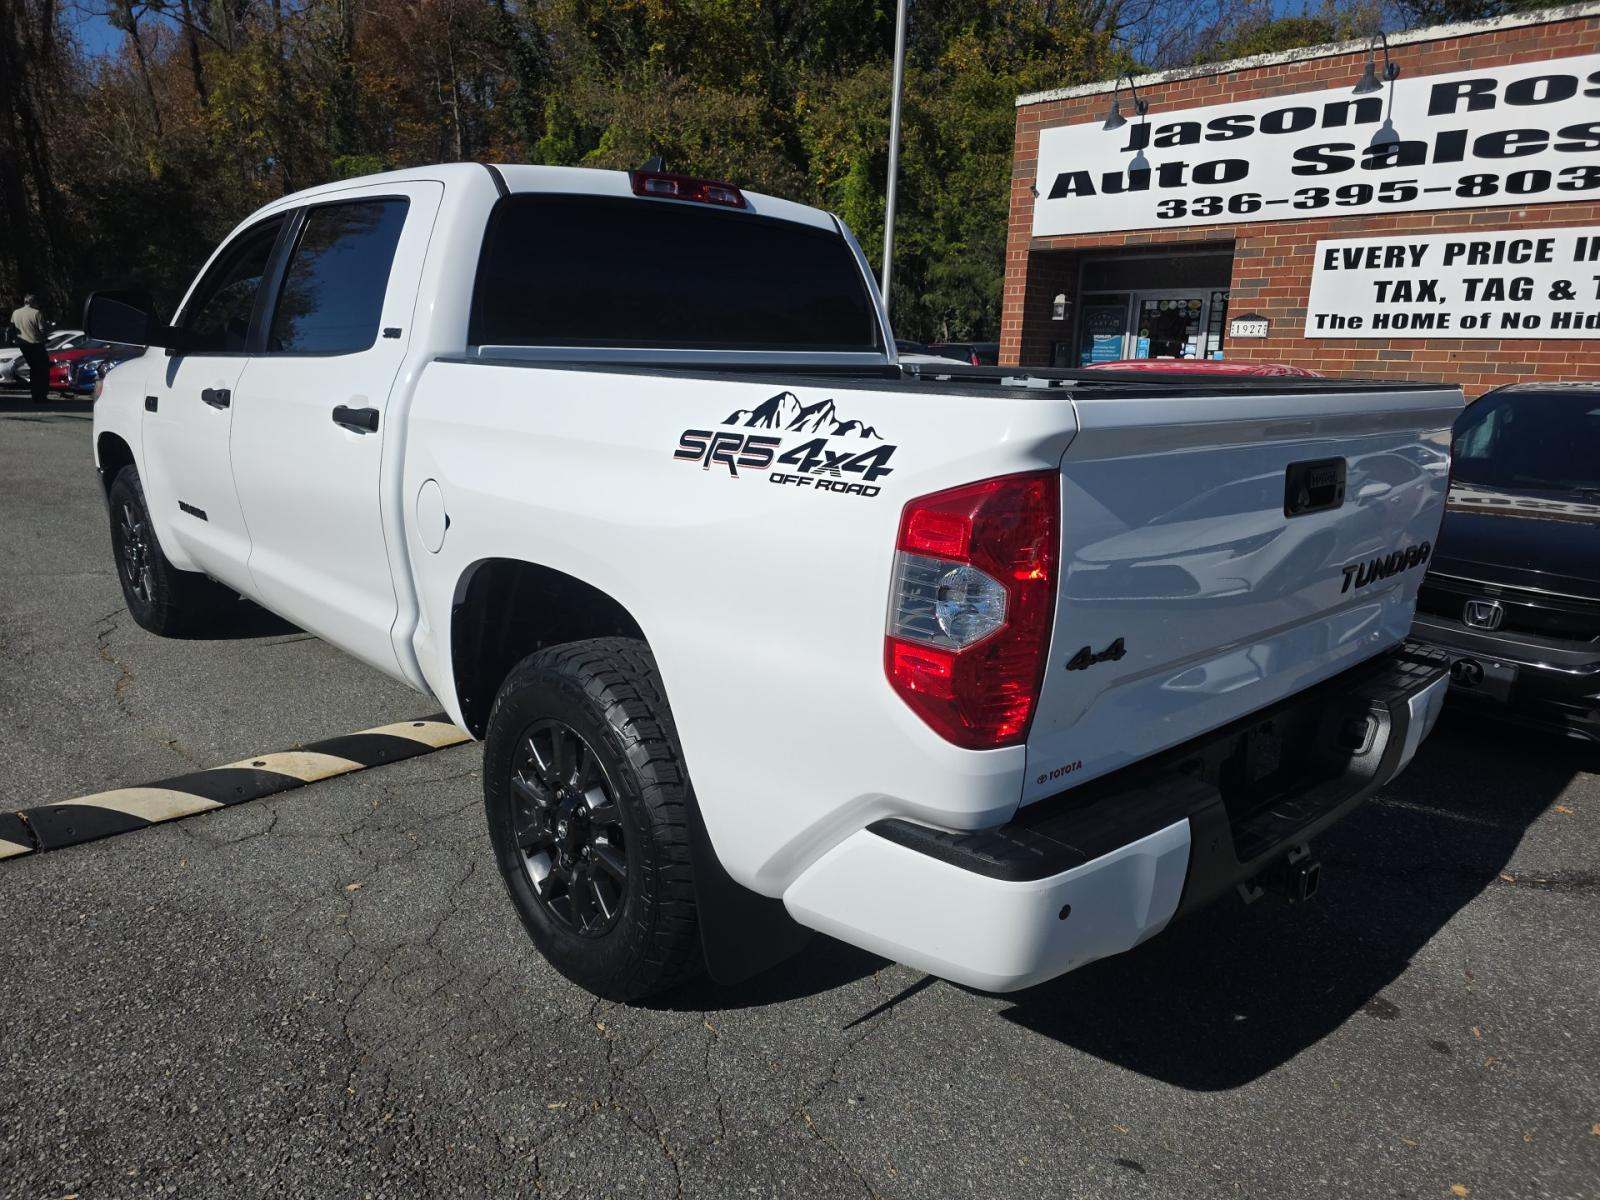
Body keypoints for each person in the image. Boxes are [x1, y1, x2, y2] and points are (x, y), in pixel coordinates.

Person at [10, 292, 54, 404]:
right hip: (36, 345)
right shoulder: (36, 313)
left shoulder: (16, 313)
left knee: (33, 369)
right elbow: (42, 329)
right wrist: (47, 334)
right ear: (34, 302)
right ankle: (41, 396)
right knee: (42, 371)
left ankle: (34, 394)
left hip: (23, 345)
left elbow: (12, 329)